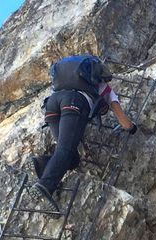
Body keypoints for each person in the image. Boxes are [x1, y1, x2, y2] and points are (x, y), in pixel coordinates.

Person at [32, 54, 138, 210]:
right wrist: (132, 128)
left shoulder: (66, 82)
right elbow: (124, 122)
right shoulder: (105, 88)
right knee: (64, 150)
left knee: (72, 158)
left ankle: (43, 162)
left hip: (52, 104)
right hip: (73, 103)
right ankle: (45, 185)